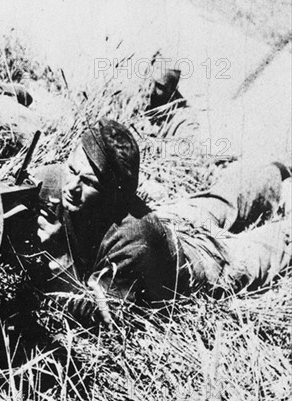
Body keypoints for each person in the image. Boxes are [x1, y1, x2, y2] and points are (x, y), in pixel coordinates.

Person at [35, 118, 291, 324]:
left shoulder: (131, 243)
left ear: (113, 195)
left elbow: (104, 318)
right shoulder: (60, 184)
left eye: (89, 182)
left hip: (197, 263)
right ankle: (276, 172)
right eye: (71, 170)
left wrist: (60, 256)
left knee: (261, 251)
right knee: (218, 202)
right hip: (169, 220)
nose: (71, 186)